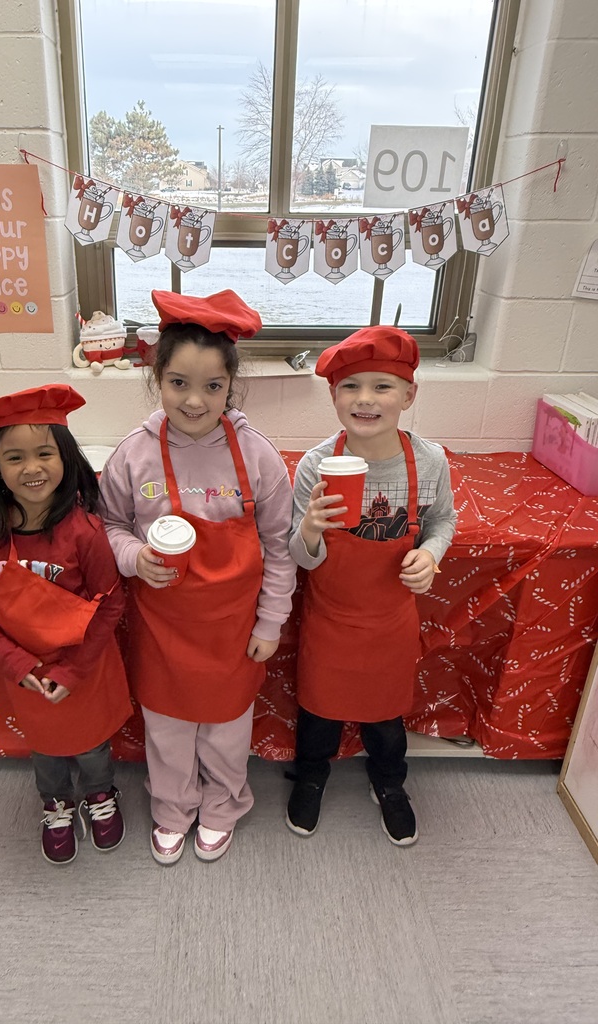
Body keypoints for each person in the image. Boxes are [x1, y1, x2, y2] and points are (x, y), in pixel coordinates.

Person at [99, 290, 296, 864]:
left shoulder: (257, 456)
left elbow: (279, 547)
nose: (194, 400)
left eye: (213, 386)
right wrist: (136, 558)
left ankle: (222, 806)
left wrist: (271, 621)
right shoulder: (132, 456)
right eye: (178, 382)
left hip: (235, 629)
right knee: (167, 730)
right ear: (156, 377)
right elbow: (109, 527)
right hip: (163, 626)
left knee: (227, 731)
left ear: (230, 387)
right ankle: (172, 809)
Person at [287, 326, 456, 846]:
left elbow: (443, 521)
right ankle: (311, 775)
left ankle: (389, 783)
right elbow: (300, 558)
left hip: (390, 621)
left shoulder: (428, 462)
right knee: (317, 711)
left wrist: (430, 553)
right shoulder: (317, 465)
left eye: (382, 386)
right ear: (334, 396)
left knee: (386, 716)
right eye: (350, 386)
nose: (365, 399)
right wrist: (311, 528)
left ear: (409, 395)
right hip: (330, 618)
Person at [0, 384, 132, 865]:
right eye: (14, 457)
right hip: (25, 672)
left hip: (84, 667)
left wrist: (72, 671)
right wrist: (14, 660)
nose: (31, 468)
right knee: (46, 750)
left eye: (44, 453)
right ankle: (55, 804)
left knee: (93, 746)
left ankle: (99, 795)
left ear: (66, 457)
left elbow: (110, 606)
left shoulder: (85, 532)